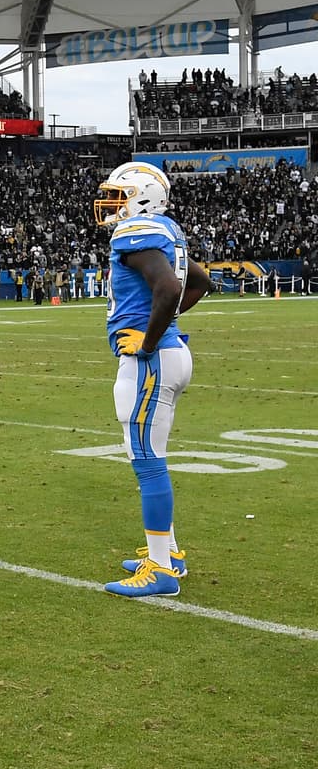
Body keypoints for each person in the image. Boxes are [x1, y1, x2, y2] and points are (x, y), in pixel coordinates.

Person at [95, 162, 214, 598]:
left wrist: (148, 339)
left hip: (154, 359)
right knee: (149, 453)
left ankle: (161, 569)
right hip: (171, 353)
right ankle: (168, 552)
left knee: (146, 459)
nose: (110, 204)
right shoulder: (166, 230)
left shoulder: (137, 232)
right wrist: (163, 327)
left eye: (117, 194)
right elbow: (201, 281)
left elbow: (167, 288)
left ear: (140, 195)